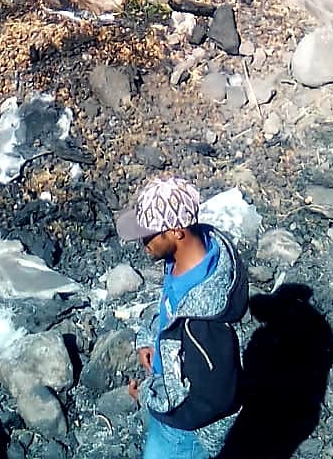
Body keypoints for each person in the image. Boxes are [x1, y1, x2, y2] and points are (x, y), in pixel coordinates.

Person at [119, 175, 249, 459]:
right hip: (169, 401)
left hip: (182, 434)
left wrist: (149, 397)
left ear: (176, 231)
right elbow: (168, 309)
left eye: (149, 234)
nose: (143, 243)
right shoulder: (187, 257)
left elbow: (211, 400)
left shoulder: (205, 325)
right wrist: (149, 338)